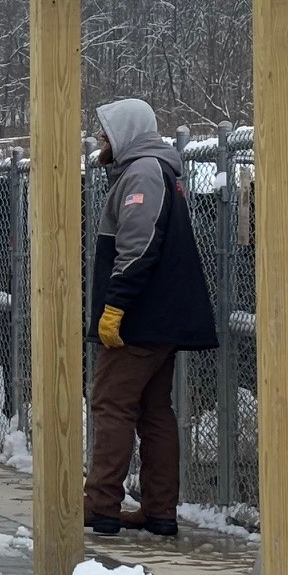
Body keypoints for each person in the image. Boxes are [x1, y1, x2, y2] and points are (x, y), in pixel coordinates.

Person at [86, 98, 218, 536]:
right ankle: (159, 510)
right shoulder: (155, 170)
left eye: (106, 132)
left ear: (125, 132)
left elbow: (139, 244)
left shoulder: (143, 172)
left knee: (111, 402)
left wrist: (115, 306)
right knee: (152, 408)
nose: (101, 140)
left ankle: (101, 503)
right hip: (162, 314)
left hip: (141, 315)